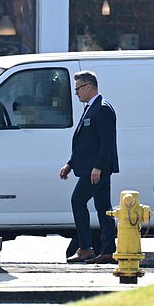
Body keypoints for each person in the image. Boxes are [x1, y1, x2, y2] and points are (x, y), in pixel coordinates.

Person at [60, 71, 119, 264]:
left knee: (77, 200)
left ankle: (85, 248)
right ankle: (108, 250)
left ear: (88, 87)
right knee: (104, 208)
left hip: (95, 171)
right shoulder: (90, 108)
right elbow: (85, 142)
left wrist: (98, 167)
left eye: (78, 89)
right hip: (91, 168)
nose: (76, 93)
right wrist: (70, 163)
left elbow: (106, 142)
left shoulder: (102, 109)